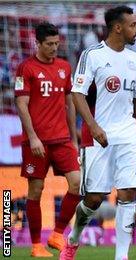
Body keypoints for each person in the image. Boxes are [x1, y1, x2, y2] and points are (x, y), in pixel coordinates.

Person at [61, 6, 136, 260]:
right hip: (98, 136)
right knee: (95, 199)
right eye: (133, 25)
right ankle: (74, 238)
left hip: (128, 135)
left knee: (128, 193)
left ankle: (121, 256)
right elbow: (77, 93)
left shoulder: (135, 59)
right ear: (117, 27)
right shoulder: (93, 55)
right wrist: (93, 126)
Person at [14, 22, 81, 257]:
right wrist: (32, 138)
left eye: (56, 43)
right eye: (49, 44)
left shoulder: (64, 67)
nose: (54, 48)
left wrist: (74, 138)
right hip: (37, 142)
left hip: (62, 139)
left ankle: (57, 234)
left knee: (77, 183)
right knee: (36, 190)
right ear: (38, 43)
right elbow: (21, 105)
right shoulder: (26, 68)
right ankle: (35, 245)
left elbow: (69, 103)